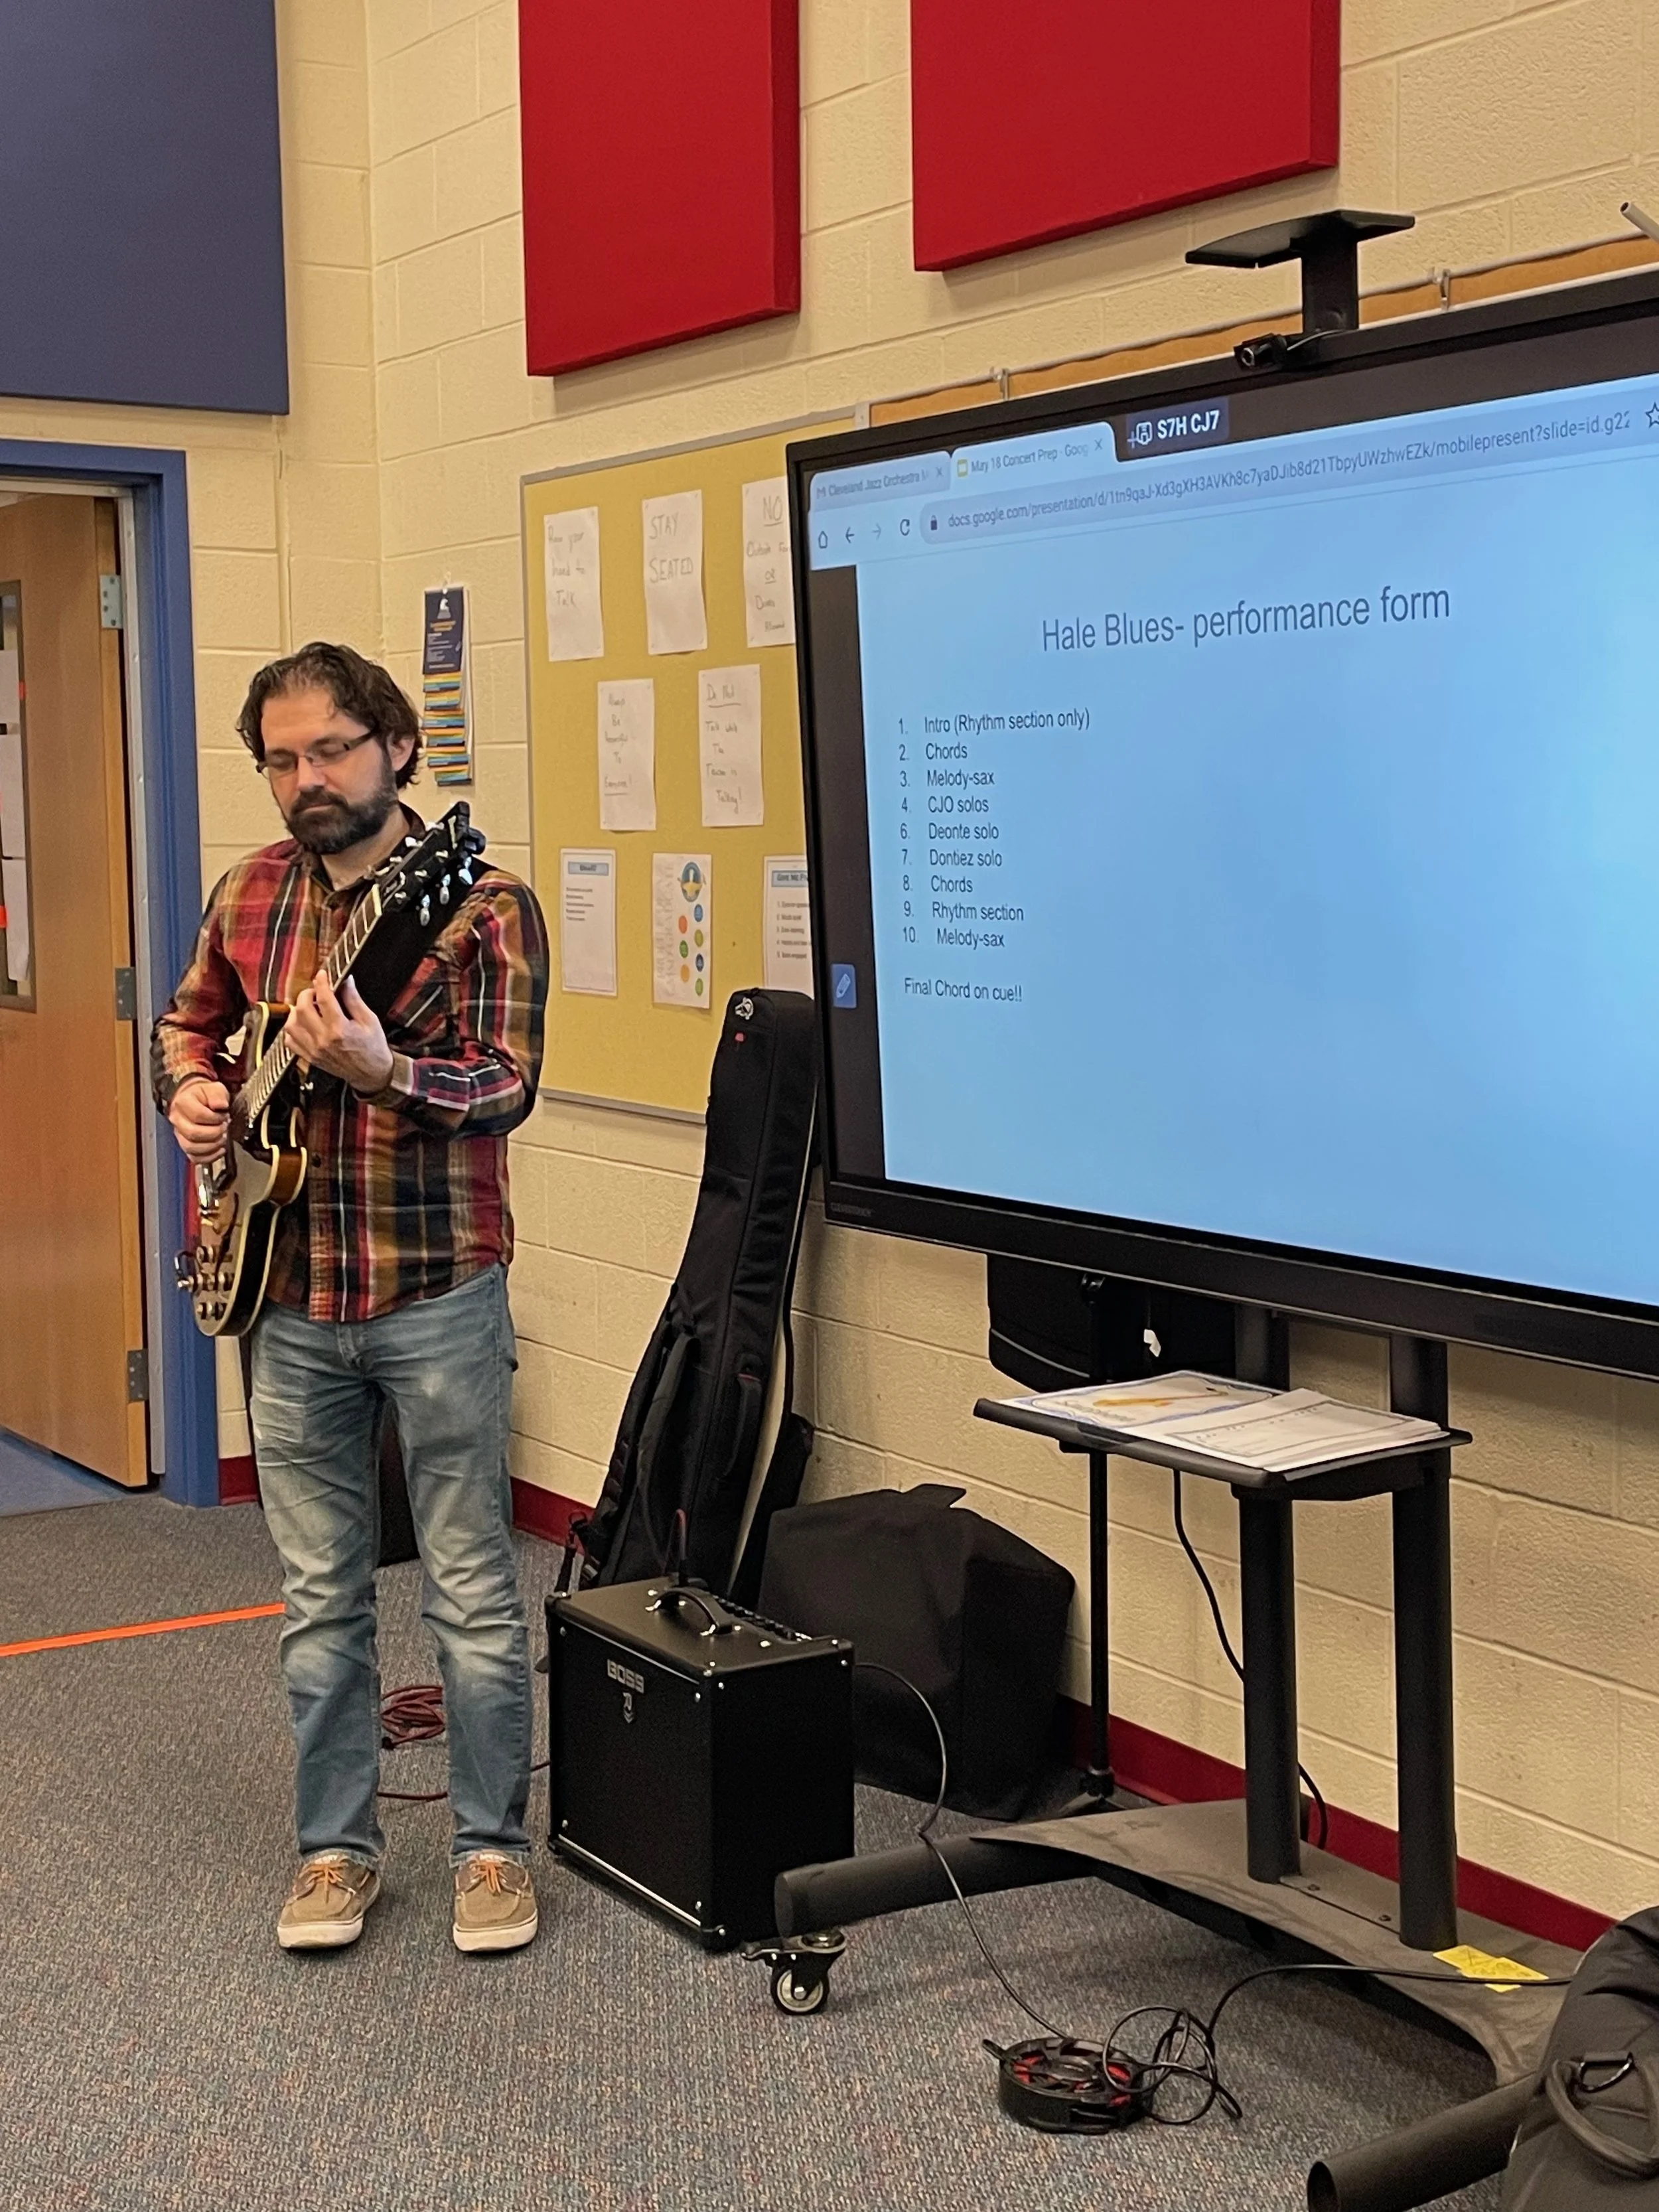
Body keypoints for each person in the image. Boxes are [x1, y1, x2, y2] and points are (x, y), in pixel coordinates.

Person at [152, 641, 549, 1956]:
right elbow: (187, 1023)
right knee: (318, 1594)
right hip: (287, 1296)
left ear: (394, 747)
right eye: (279, 758)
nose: (305, 779)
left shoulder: (478, 902)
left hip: (433, 1288)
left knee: (471, 1590)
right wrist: (192, 1094)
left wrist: (385, 1072)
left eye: (328, 748)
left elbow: (503, 1086)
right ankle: (335, 1848)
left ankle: (492, 1850)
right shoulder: (251, 890)